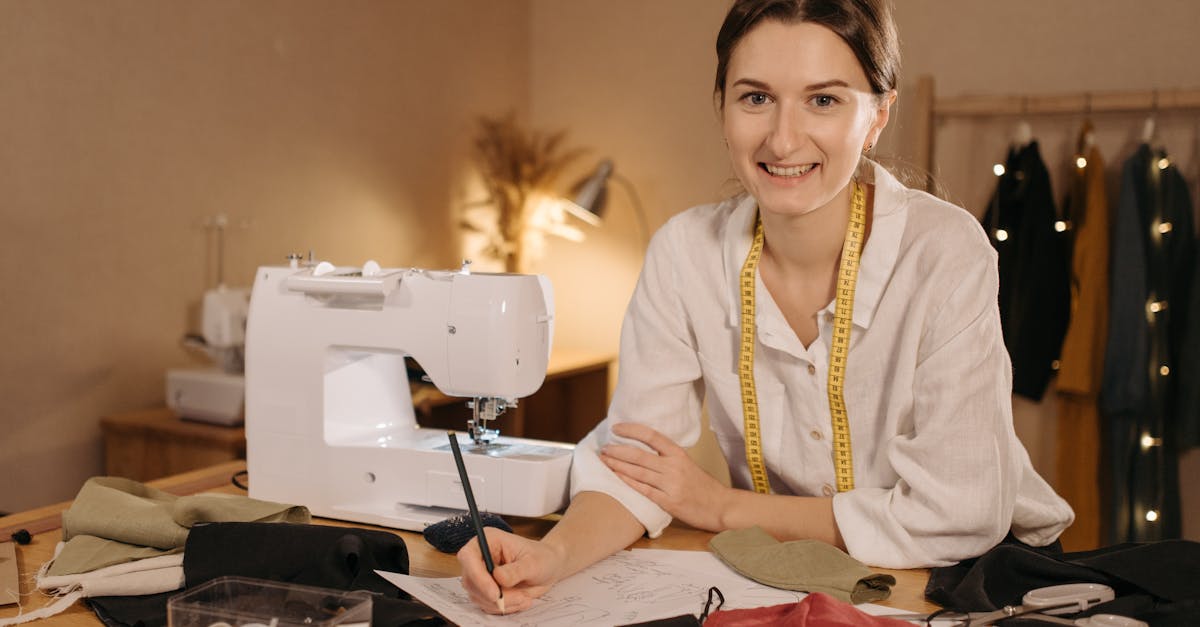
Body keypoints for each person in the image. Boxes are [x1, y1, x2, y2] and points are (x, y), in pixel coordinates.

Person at [458, 0, 1074, 614]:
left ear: (879, 114)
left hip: (973, 585)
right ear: (721, 107)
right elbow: (636, 464)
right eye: (756, 98)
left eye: (824, 100)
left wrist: (723, 507)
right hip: (791, 576)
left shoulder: (943, 251)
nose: (783, 139)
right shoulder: (684, 253)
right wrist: (551, 557)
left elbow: (961, 514)